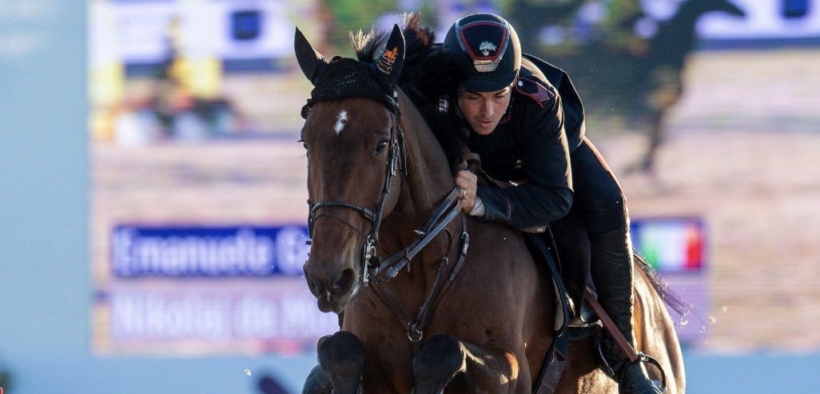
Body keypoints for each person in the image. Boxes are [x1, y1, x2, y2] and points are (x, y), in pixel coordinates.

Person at [421, 13, 663, 394]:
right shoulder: (429, 85)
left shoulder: (538, 100)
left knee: (609, 202)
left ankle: (622, 351)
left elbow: (556, 198)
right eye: (473, 97)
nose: (487, 112)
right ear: (452, 88)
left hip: (540, 152)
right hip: (473, 157)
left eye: (499, 96)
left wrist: (484, 201)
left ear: (513, 84)